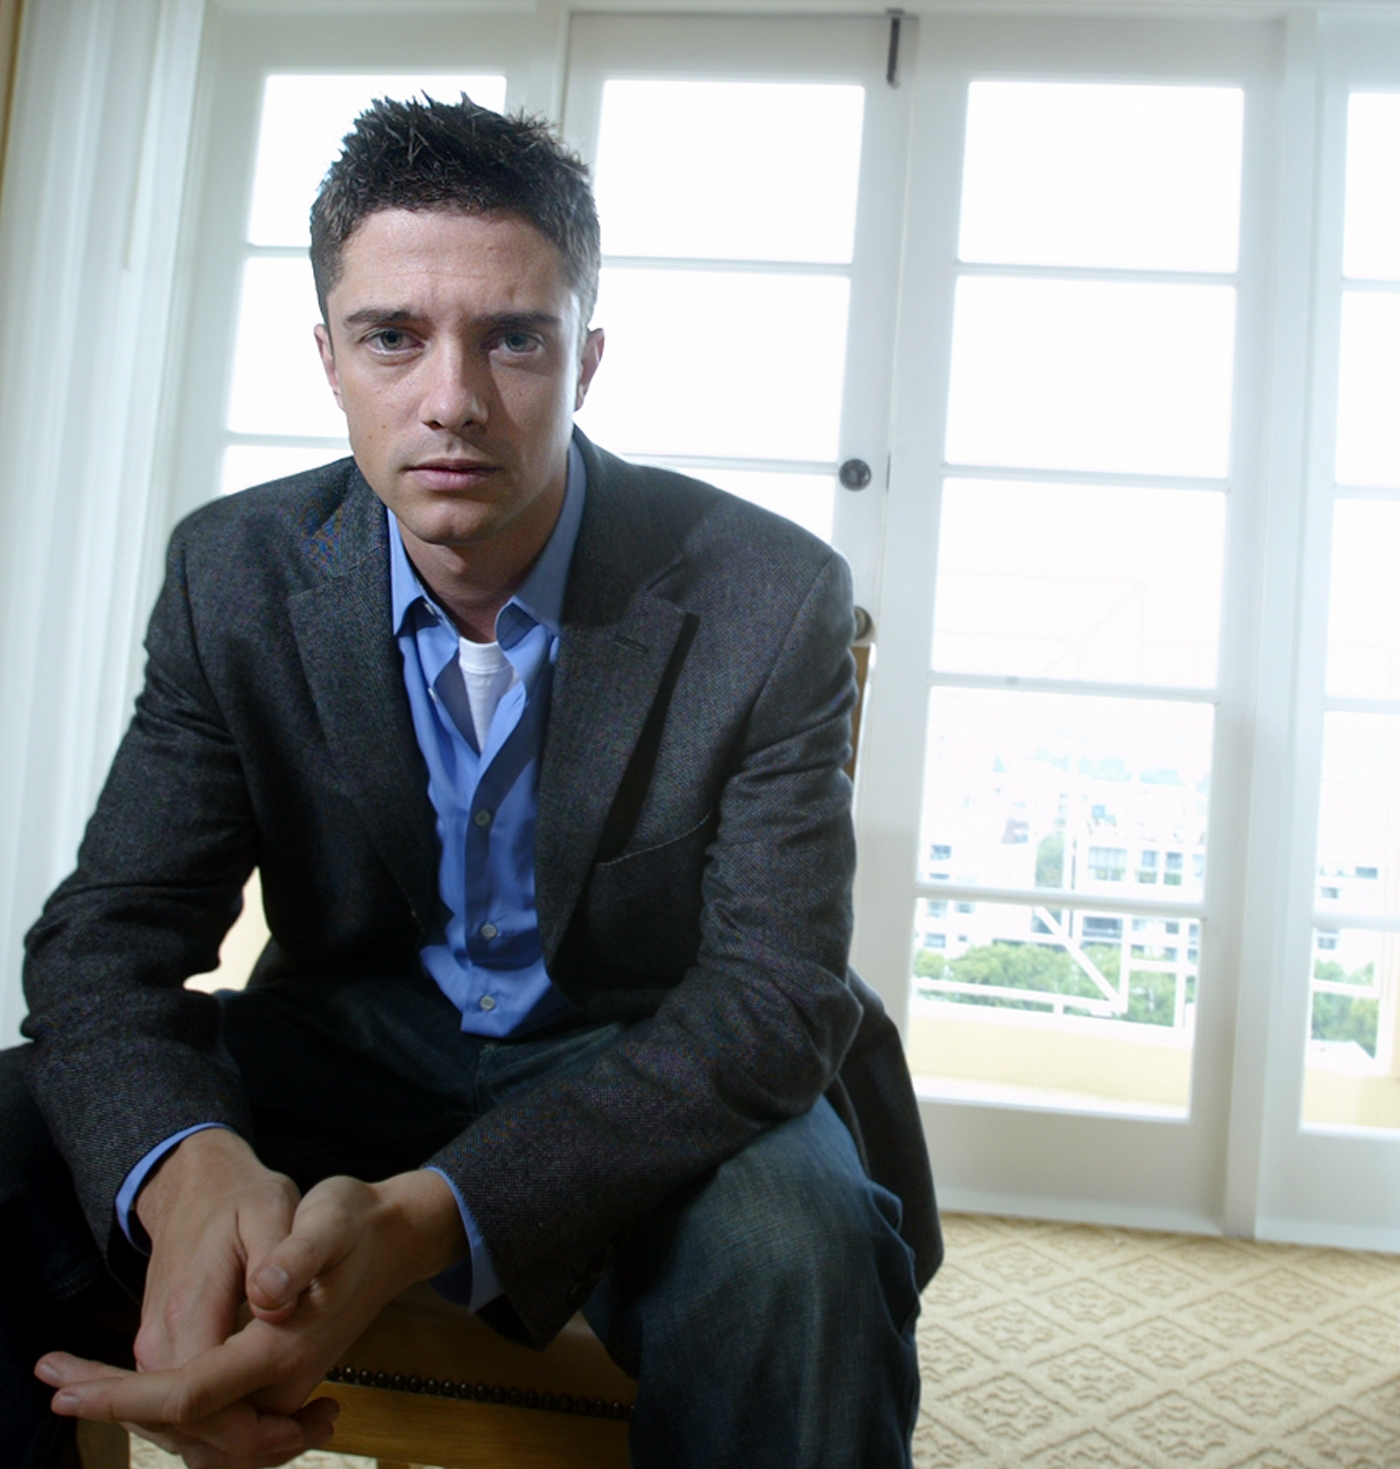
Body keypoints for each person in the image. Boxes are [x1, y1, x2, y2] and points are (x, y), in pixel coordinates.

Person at [2, 96, 939, 1468]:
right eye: (392, 336)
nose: (451, 399)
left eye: (514, 338)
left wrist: (427, 1217)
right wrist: (189, 1168)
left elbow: (773, 999)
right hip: (351, 1041)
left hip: (646, 1057)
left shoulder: (768, 592)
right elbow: (106, 939)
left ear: (586, 358)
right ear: (329, 359)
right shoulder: (235, 573)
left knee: (797, 1248)